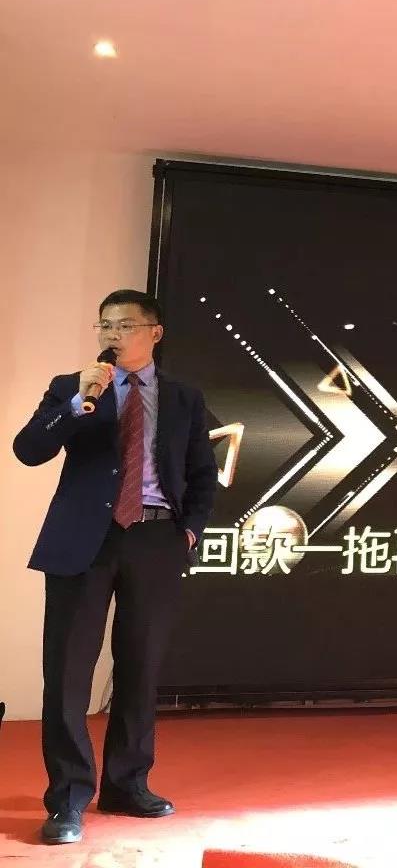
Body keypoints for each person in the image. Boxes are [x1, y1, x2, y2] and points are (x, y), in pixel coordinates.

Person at [12, 290, 217, 845]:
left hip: (155, 538)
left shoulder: (183, 398)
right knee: (67, 673)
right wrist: (76, 404)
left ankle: (127, 785)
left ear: (154, 332)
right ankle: (68, 799)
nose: (113, 334)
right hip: (84, 539)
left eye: (125, 325)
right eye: (105, 325)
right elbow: (28, 450)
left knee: (140, 666)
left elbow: (202, 473)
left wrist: (188, 531)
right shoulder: (72, 387)